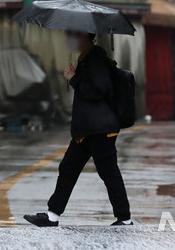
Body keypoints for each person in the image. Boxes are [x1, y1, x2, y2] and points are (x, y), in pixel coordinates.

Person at [24, 31, 132, 227]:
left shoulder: (96, 58)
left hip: (100, 130)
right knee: (68, 169)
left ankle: (124, 218)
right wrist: (76, 76)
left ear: (84, 36)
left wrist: (74, 78)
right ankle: (52, 215)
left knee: (109, 173)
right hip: (87, 130)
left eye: (72, 35)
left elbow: (99, 89)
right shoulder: (86, 58)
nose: (69, 39)